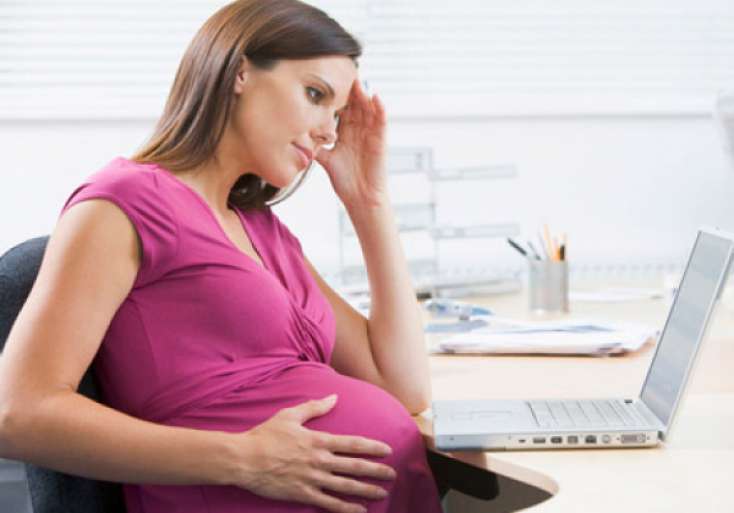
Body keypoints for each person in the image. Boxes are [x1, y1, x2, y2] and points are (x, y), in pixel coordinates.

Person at [0, 1, 443, 512]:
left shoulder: (262, 229)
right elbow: (18, 413)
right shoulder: (124, 203)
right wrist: (245, 459)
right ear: (240, 72)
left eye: (337, 114)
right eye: (315, 95)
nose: (329, 131)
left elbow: (404, 387)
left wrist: (369, 202)